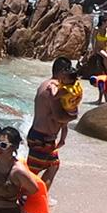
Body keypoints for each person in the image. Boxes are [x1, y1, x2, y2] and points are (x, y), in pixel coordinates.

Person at [26, 57, 81, 191]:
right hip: (42, 138)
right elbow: (59, 116)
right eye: (68, 71)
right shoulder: (54, 89)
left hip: (38, 135)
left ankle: (36, 199)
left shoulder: (44, 84)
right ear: (62, 72)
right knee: (32, 175)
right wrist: (73, 116)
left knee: (53, 165)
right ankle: (29, 203)